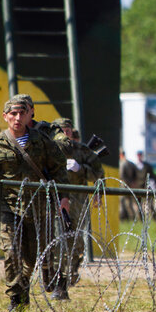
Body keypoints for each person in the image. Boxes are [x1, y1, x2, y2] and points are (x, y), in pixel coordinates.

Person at [0, 95, 70, 311]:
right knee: (12, 252)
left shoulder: (41, 141)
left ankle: (26, 288)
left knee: (32, 258)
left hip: (38, 207)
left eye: (22, 113)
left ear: (30, 114)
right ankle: (16, 299)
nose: (17, 117)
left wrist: (62, 196)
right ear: (5, 117)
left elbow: (60, 168)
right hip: (9, 208)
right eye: (13, 113)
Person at [53, 117, 105, 293]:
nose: (64, 135)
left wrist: (80, 169)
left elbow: (98, 174)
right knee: (57, 240)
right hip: (54, 199)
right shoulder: (48, 150)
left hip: (77, 201)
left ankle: (71, 271)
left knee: (75, 242)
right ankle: (59, 279)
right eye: (60, 131)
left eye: (67, 131)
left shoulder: (82, 150)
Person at [118, 149, 138, 220]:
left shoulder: (121, 163)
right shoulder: (131, 163)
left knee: (123, 203)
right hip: (131, 185)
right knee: (130, 203)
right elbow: (136, 174)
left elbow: (122, 175)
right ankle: (133, 217)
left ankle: (125, 218)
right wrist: (133, 183)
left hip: (124, 185)